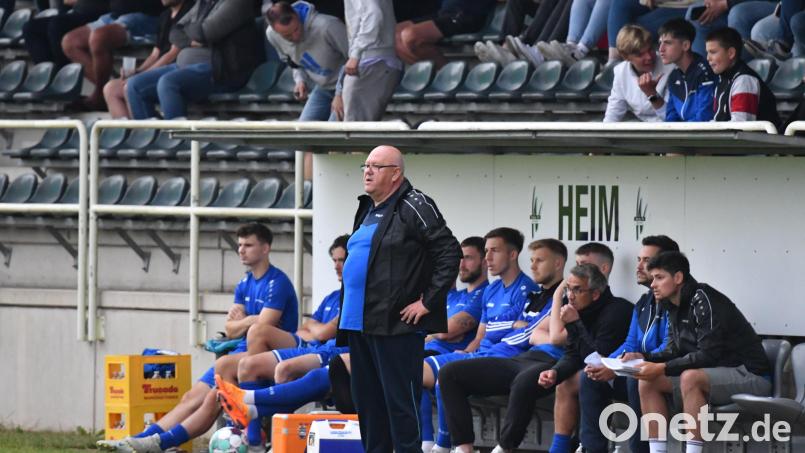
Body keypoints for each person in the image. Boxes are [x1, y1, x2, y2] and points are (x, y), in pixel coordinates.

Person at [103, 223, 299, 453]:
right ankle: (139, 440)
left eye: (248, 245)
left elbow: (264, 326)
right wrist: (249, 320)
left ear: (265, 248)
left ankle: (157, 443)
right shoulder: (244, 283)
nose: (241, 250)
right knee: (191, 397)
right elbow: (230, 328)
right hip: (240, 351)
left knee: (212, 397)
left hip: (265, 356)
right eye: (239, 245)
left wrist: (244, 321)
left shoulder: (277, 282)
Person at [339, 145, 461, 453]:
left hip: (395, 325)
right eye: (366, 165)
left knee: (401, 406)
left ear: (396, 174)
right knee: (368, 406)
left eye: (376, 166)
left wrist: (428, 302)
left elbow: (449, 252)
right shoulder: (367, 208)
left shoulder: (414, 203)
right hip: (358, 323)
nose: (367, 171)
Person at [437, 238, 567, 453]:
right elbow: (493, 327)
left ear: (558, 263)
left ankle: (504, 447)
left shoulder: (564, 298)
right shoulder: (533, 296)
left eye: (539, 260)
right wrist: (518, 327)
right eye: (532, 260)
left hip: (547, 361)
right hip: (521, 357)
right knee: (449, 373)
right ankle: (463, 449)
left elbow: (539, 334)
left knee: (523, 381)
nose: (533, 266)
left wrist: (525, 332)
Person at [635, 251, 771, 453]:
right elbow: (673, 350)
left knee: (690, 378)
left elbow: (708, 355)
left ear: (678, 277)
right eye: (653, 278)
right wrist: (642, 358)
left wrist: (662, 367)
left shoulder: (704, 299)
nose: (653, 284)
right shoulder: (671, 303)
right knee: (648, 380)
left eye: (659, 277)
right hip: (711, 373)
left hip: (751, 375)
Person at [420, 230, 542, 453]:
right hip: (480, 355)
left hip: (506, 360)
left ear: (513, 254)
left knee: (445, 377)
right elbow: (481, 335)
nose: (488, 257)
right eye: (486, 251)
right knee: (410, 372)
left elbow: (521, 331)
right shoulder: (492, 290)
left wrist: (502, 328)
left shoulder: (527, 289)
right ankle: (430, 442)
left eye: (494, 251)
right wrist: (468, 351)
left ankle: (444, 446)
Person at [578, 235, 680, 453]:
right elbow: (630, 343)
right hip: (640, 370)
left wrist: (625, 368)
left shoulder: (679, 301)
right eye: (639, 259)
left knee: (638, 379)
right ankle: (592, 449)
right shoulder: (643, 303)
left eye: (647, 260)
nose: (639, 266)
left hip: (668, 375)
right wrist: (608, 363)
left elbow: (671, 348)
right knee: (590, 377)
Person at [125, 0, 264, 119]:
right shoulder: (203, 2)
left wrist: (193, 33)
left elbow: (206, 32)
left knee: (168, 83)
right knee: (134, 86)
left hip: (220, 70)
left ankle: (177, 139)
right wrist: (194, 39)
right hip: (185, 66)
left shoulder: (238, 2)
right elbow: (174, 33)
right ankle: (154, 137)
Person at [61, 0, 164, 109]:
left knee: (99, 38)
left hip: (146, 15)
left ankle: (99, 96)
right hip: (114, 15)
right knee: (70, 42)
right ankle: (110, 90)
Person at [102, 0, 193, 118]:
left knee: (130, 87)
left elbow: (172, 54)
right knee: (110, 89)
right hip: (157, 71)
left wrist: (142, 75)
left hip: (174, 71)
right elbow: (155, 54)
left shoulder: (189, 12)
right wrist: (138, 71)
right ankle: (127, 129)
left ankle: (147, 128)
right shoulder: (165, 15)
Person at [264, 1, 348, 122]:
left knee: (333, 128)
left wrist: (340, 93)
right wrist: (300, 81)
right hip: (324, 87)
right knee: (304, 129)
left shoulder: (328, 26)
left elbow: (355, 60)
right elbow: (292, 62)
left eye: (297, 29)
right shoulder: (272, 35)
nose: (295, 36)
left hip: (349, 85)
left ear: (297, 16)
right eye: (288, 36)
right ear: (275, 31)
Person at [425, 236, 489, 355]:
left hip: (442, 355)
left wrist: (435, 331)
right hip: (425, 349)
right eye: (460, 259)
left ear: (485, 262)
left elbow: (444, 332)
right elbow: (432, 331)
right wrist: (434, 332)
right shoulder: (455, 295)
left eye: (468, 258)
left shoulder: (486, 294)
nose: (461, 265)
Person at [705, 27, 781, 128]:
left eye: (713, 52)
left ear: (731, 53)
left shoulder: (744, 80)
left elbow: (741, 127)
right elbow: (718, 120)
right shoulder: (723, 79)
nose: (708, 58)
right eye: (707, 52)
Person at [341, 0, 402, 121]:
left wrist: (356, 54)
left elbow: (373, 14)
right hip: (378, 59)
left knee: (355, 127)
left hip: (371, 60)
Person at [395, 0, 496, 68]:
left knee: (411, 36)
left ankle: (450, 78)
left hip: (468, 12)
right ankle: (440, 77)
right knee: (395, 35)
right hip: (445, 13)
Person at [605, 25, 674, 123]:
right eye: (640, 55)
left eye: (650, 49)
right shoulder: (620, 72)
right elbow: (613, 114)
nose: (649, 57)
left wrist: (651, 94)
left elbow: (672, 117)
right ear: (626, 57)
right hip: (642, 127)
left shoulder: (670, 66)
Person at [658, 18, 716, 122]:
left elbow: (704, 117)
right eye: (660, 43)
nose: (661, 49)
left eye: (668, 43)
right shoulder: (673, 76)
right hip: (685, 131)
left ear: (685, 45)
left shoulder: (705, 71)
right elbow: (671, 116)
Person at [22, 0, 109, 68]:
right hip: (77, 13)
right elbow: (67, 1)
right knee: (30, 27)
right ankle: (46, 73)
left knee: (57, 25)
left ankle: (64, 74)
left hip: (99, 16)